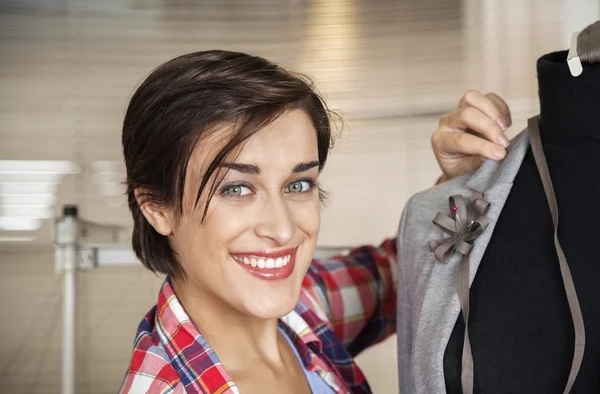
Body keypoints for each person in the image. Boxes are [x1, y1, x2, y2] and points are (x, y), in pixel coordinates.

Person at [118, 50, 512, 394]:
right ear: (156, 207)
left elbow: (415, 270)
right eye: (236, 189)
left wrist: (456, 182)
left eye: (298, 184)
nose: (283, 229)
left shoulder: (308, 305)